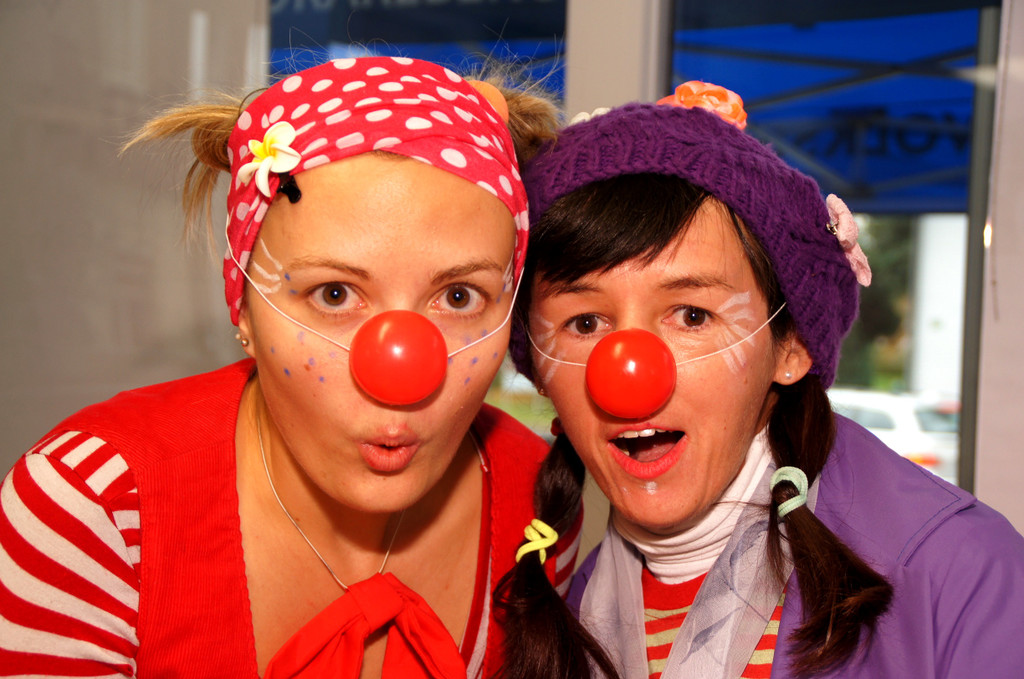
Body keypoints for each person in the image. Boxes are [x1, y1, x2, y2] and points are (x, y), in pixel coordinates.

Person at [0, 56, 577, 678]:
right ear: (244, 309)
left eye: (459, 296)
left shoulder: (541, 502)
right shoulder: (91, 508)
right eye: (334, 294)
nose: (402, 369)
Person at [497, 82, 1024, 678]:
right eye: (585, 322)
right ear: (538, 365)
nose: (629, 374)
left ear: (791, 346)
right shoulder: (561, 608)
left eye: (692, 315)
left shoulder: (958, 579)